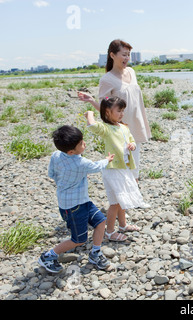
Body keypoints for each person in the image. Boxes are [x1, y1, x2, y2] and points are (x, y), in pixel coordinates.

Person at [38, 125, 114, 273]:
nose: (84, 143)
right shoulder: (81, 163)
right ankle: (48, 256)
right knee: (78, 240)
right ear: (71, 151)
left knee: (100, 221)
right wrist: (107, 159)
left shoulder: (56, 155)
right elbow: (97, 166)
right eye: (81, 143)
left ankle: (95, 252)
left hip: (82, 200)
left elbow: (51, 174)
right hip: (73, 207)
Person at [78, 39, 151, 183]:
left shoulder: (131, 71)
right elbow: (105, 108)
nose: (127, 58)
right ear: (112, 55)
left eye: (128, 55)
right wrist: (92, 101)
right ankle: (123, 199)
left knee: (135, 160)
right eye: (123, 55)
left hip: (136, 122)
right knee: (123, 162)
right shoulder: (107, 79)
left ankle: (134, 196)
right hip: (121, 127)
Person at [85, 96, 143, 242]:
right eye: (119, 110)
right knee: (115, 202)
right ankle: (110, 232)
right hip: (113, 169)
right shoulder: (106, 129)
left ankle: (122, 225)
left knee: (121, 198)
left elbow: (131, 140)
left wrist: (132, 145)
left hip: (123, 168)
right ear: (108, 112)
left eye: (123, 110)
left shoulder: (123, 127)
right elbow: (92, 126)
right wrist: (89, 114)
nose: (122, 113)